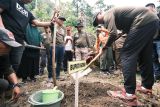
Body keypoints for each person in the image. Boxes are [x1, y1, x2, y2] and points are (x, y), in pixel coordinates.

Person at [93, 7, 159, 105]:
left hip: (142, 20)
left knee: (127, 54)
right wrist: (109, 44)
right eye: (98, 23)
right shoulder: (119, 16)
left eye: (97, 20)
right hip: (153, 21)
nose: (100, 23)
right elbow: (123, 32)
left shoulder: (107, 14)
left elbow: (113, 33)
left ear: (99, 13)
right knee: (144, 54)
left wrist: (106, 46)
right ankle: (146, 87)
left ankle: (129, 94)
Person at [0, 0, 53, 74]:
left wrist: (51, 23)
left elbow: (37, 23)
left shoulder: (28, 12)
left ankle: (11, 84)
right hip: (5, 38)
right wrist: (2, 29)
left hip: (19, 41)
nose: (31, 1)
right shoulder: (10, 1)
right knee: (3, 61)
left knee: (15, 64)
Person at [0, 28, 21, 103]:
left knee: (5, 84)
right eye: (7, 45)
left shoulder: (3, 54)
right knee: (3, 83)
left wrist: (16, 85)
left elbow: (8, 69)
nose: (9, 48)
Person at [47, 16, 66, 81]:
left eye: (63, 20)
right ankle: (50, 76)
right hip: (54, 46)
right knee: (51, 62)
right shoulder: (54, 27)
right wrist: (54, 17)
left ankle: (57, 75)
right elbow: (51, 23)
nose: (62, 21)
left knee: (59, 62)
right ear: (57, 20)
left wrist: (63, 45)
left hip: (61, 47)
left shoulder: (63, 29)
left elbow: (63, 38)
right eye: (61, 20)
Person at [145, 3, 160, 81]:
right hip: (151, 41)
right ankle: (157, 75)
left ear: (153, 8)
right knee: (154, 59)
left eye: (149, 9)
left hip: (159, 40)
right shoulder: (147, 19)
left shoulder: (158, 15)